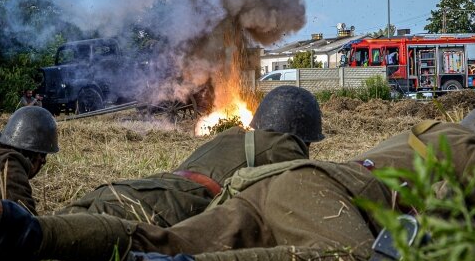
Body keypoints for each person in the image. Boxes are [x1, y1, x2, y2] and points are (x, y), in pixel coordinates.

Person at [0, 98, 475, 261]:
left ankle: (31, 232)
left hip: (268, 189)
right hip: (312, 191)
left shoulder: (423, 139)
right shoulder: (473, 149)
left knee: (153, 235)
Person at [55, 86, 325, 226]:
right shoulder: (283, 146)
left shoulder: (228, 137)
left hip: (126, 191)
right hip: (159, 212)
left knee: (50, 229)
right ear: (301, 137)